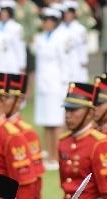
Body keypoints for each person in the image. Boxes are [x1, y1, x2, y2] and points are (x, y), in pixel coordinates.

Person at [1, 72, 44, 199]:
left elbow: (35, 179)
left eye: (7, 98)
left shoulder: (27, 133)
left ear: (19, 101)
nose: (1, 102)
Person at [33, 5, 72, 170]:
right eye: (44, 21)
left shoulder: (62, 37)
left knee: (57, 121)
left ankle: (57, 156)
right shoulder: (41, 38)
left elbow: (66, 63)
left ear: (54, 22)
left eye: (48, 21)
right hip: (43, 84)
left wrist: (66, 85)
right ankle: (49, 155)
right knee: (46, 121)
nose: (45, 23)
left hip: (57, 83)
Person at [61, 0, 89, 81]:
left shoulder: (80, 29)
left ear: (73, 14)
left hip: (75, 61)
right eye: (65, 13)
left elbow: (83, 47)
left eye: (68, 13)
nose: (66, 16)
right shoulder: (60, 28)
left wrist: (83, 61)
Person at [0, 0, 26, 75]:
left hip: (11, 62)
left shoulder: (16, 28)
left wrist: (22, 65)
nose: (2, 14)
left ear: (9, 13)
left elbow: (20, 48)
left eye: (4, 12)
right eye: (1, 12)